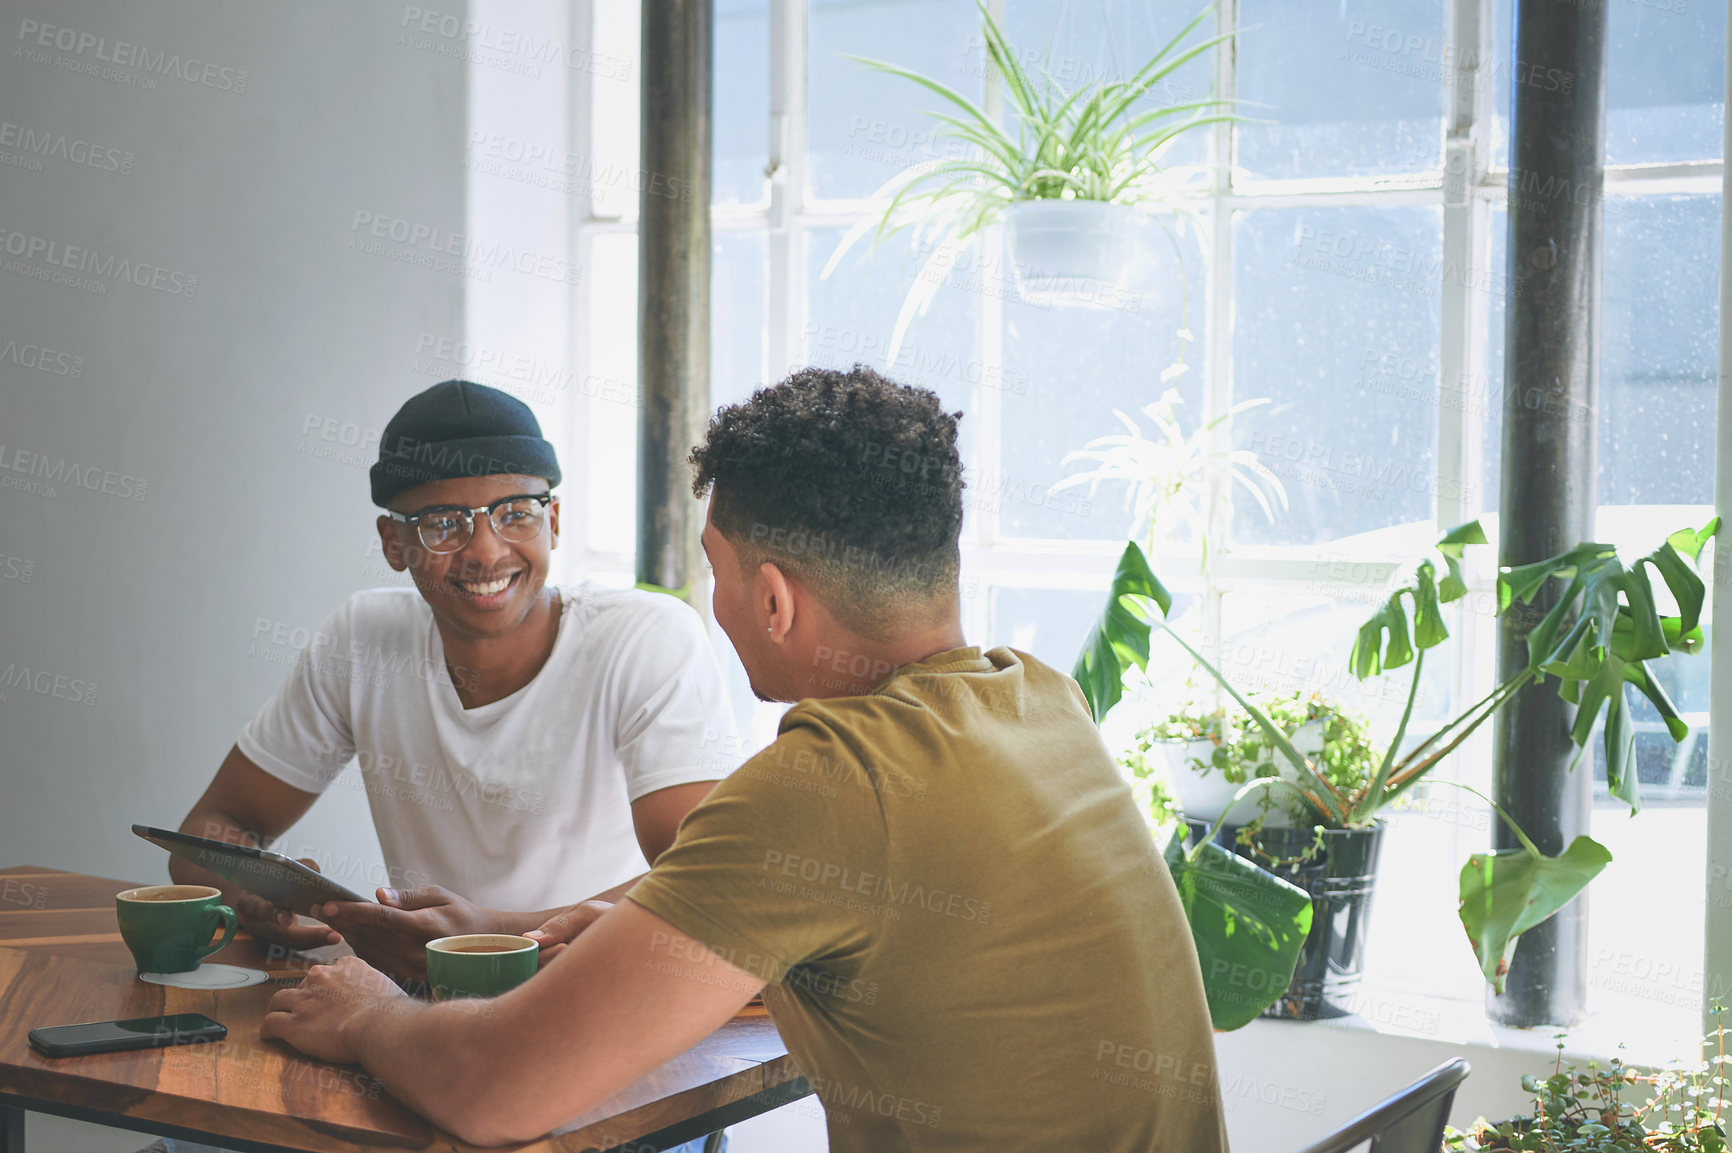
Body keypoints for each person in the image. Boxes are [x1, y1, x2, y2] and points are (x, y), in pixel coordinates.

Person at [260, 367, 1229, 1151]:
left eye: (715, 569)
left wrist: (363, 1011)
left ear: (772, 599)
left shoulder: (828, 781)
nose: (711, 605)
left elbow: (495, 1094)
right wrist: (568, 925)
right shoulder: (1039, 701)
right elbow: (841, 935)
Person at [171, 379, 736, 980]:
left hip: (606, 995)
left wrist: (499, 934)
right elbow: (210, 831)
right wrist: (252, 896)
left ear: (555, 523)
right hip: (426, 1001)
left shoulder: (645, 639)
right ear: (395, 543)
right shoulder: (364, 641)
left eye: (516, 514)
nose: (485, 552)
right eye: (443, 524)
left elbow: (705, 882)